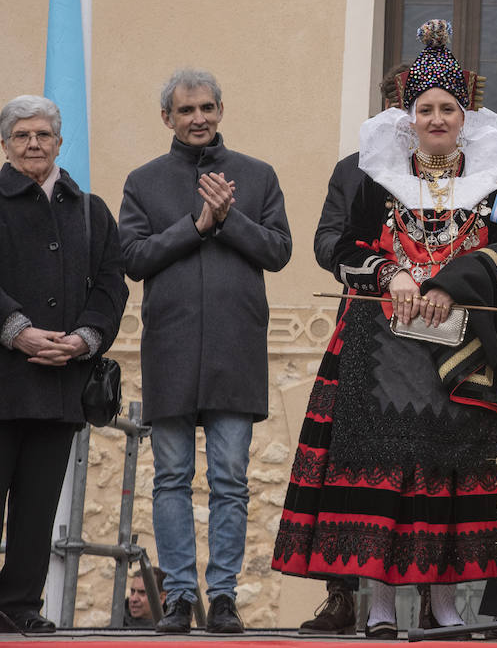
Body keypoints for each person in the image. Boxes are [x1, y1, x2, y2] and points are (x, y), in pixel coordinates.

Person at [272, 20, 497, 638]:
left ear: (465, 116)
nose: (436, 119)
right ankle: (383, 609)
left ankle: (443, 608)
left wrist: (450, 283)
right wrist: (389, 273)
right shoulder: (374, 176)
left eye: (447, 108)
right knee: (381, 469)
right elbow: (338, 244)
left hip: (461, 344)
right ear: (406, 115)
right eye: (425, 109)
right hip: (380, 342)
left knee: (447, 470)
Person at [120, 70, 291, 634]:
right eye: (186, 110)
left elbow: (278, 251)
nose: (199, 118)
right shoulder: (143, 182)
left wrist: (228, 218)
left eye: (208, 108)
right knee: (170, 477)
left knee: (230, 480)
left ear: (221, 110)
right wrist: (197, 224)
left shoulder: (257, 176)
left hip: (235, 347)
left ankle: (221, 597)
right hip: (169, 348)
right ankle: (177, 597)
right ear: (167, 118)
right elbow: (134, 258)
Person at [0, 96, 128, 635]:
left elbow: (111, 284)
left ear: (59, 141)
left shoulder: (91, 209)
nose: (34, 144)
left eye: (44, 135)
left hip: (61, 384)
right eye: (22, 135)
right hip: (6, 378)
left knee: (37, 504)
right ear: (6, 144)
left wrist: (83, 340)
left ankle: (20, 604)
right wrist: (17, 332)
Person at [295, 62, 408, 637]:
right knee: (347, 462)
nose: (404, 110)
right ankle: (342, 594)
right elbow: (325, 241)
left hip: (441, 330)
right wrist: (372, 269)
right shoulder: (354, 169)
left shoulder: (464, 171)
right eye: (395, 99)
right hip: (367, 321)